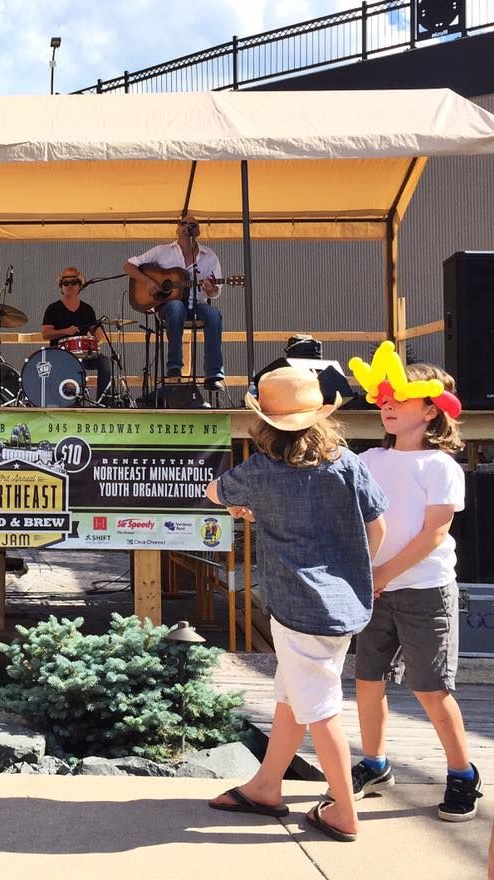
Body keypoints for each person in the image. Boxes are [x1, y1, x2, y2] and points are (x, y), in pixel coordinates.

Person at [206, 367, 387, 842]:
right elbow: (378, 527)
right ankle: (266, 786)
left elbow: (215, 491)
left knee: (321, 709)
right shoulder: (347, 462)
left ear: (264, 423)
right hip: (344, 603)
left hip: (296, 607)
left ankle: (344, 810)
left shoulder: (260, 471)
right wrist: (358, 572)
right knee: (292, 695)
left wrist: (244, 507)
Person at [349, 361, 483, 822]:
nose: (387, 405)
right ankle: (375, 764)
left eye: (400, 398)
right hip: (374, 590)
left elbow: (434, 534)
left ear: (430, 410)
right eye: (384, 397)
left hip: (425, 592)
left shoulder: (440, 465)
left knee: (431, 688)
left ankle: (462, 773)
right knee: (367, 682)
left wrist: (381, 575)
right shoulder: (368, 460)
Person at [124, 216, 225, 390]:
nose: (187, 226)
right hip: (168, 306)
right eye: (183, 223)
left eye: (193, 224)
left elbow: (216, 292)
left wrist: (210, 290)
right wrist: (148, 282)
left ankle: (213, 374)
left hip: (197, 305)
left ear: (198, 231)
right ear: (177, 228)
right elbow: (129, 266)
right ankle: (174, 366)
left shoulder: (209, 256)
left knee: (214, 314)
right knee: (176, 306)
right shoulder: (162, 251)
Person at [41, 266, 112, 402]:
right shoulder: (53, 308)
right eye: (65, 283)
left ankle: (102, 404)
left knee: (105, 362)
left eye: (74, 282)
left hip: (83, 354)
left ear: (80, 286)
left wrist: (98, 335)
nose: (70, 286)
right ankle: (67, 400)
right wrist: (65, 331)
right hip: (60, 354)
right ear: (61, 287)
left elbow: (95, 330)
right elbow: (46, 333)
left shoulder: (87, 309)